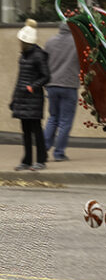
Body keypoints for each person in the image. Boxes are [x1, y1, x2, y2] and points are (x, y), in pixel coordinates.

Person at [9, 19, 50, 171]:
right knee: (26, 131)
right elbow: (20, 77)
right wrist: (15, 96)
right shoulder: (24, 56)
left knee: (36, 130)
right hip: (22, 97)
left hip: (33, 97)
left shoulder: (38, 55)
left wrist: (32, 87)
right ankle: (26, 160)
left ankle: (40, 160)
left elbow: (46, 76)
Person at [43, 22, 80, 162]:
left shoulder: (50, 42)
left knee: (53, 118)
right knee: (65, 121)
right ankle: (59, 153)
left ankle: (43, 149)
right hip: (69, 85)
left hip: (52, 84)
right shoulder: (76, 42)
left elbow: (44, 62)